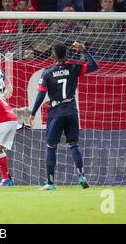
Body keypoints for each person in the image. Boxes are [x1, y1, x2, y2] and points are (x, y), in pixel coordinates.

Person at [28, 42, 99, 191]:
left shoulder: (47, 72)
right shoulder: (74, 68)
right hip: (72, 111)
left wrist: (33, 112)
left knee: (51, 147)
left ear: (53, 56)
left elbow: (41, 95)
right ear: (66, 55)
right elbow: (94, 66)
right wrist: (84, 51)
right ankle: (81, 175)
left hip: (56, 113)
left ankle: (51, 182)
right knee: (73, 145)